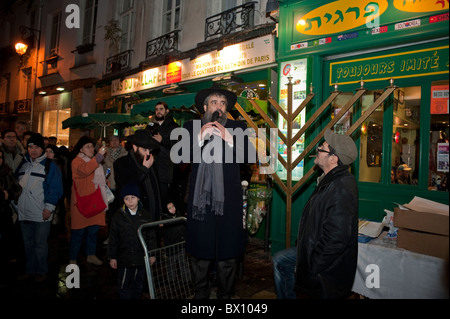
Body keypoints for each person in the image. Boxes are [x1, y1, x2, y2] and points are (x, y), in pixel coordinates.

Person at [181, 87, 255, 299]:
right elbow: (180, 163)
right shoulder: (190, 127)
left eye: (223, 103)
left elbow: (251, 157)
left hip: (228, 203)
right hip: (200, 204)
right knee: (200, 257)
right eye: (214, 102)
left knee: (228, 258)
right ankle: (200, 297)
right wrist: (198, 138)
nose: (219, 107)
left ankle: (226, 297)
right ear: (205, 107)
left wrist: (230, 139)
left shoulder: (237, 128)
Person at [272, 128, 358, 299]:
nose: (317, 150)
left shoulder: (341, 187)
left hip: (324, 266)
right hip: (311, 251)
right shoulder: (330, 180)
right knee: (280, 261)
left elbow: (337, 237)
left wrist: (313, 264)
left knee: (281, 262)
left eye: (322, 148)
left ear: (333, 158)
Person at [14, 133, 63, 282]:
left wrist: (49, 208)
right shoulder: (23, 165)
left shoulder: (50, 166)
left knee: (40, 245)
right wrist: (15, 204)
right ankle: (30, 270)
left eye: (37, 147)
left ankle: (41, 271)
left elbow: (55, 189)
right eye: (30, 147)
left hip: (41, 213)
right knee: (28, 244)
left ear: (42, 148)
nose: (33, 150)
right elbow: (15, 186)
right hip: (24, 213)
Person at [108, 182, 156, 299]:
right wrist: (112, 256)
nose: (130, 201)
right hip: (124, 259)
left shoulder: (146, 215)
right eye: (126, 198)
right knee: (124, 285)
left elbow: (151, 236)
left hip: (140, 258)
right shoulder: (118, 216)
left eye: (133, 197)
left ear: (138, 198)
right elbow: (113, 238)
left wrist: (152, 254)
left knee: (138, 284)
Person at [69, 136, 107, 265]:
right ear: (81, 149)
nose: (91, 149)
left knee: (93, 231)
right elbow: (85, 170)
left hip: (94, 200)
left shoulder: (93, 160)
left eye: (92, 146)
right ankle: (73, 259)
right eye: (87, 146)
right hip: (82, 203)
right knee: (78, 233)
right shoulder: (76, 161)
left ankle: (91, 255)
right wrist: (99, 156)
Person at [114, 129, 162, 222]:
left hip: (153, 218)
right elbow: (128, 188)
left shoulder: (151, 163)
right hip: (135, 221)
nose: (148, 153)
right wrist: (144, 170)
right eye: (144, 149)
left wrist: (160, 211)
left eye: (149, 149)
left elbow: (157, 189)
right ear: (135, 147)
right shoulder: (121, 164)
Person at [146, 101, 179, 207]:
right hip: (151, 166)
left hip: (165, 167)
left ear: (167, 111)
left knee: (163, 197)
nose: (158, 111)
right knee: (152, 196)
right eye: (156, 109)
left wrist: (162, 140)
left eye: (161, 109)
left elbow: (177, 145)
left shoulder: (174, 126)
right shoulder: (151, 126)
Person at [0, 147, 22, 273]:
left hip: (4, 213)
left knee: (6, 243)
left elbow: (16, 189)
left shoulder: (6, 172)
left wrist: (8, 194)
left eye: (1, 157)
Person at [102, 135, 128, 237]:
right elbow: (104, 170)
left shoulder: (125, 154)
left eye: (116, 140)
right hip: (110, 187)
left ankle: (122, 236)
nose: (114, 142)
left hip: (121, 188)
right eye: (111, 140)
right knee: (111, 214)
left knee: (122, 213)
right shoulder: (105, 154)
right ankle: (111, 236)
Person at [160, 201, 188, 283]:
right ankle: (171, 280)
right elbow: (165, 234)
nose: (172, 209)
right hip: (171, 246)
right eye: (169, 208)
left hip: (181, 244)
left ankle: (186, 279)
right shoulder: (164, 221)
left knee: (183, 263)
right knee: (171, 264)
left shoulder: (179, 216)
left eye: (173, 206)